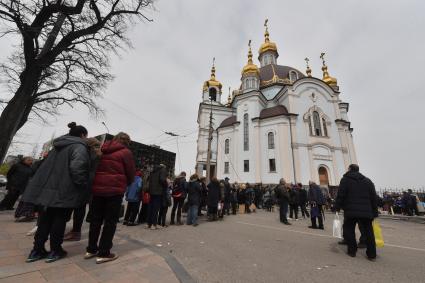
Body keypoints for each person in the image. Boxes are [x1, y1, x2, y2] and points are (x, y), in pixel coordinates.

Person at [24, 122, 90, 263]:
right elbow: (78, 169)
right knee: (59, 221)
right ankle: (55, 250)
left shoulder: (57, 147)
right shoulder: (79, 147)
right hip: (64, 191)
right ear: (83, 135)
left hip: (46, 190)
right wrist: (83, 185)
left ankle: (36, 250)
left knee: (44, 221)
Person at [86, 132, 135, 264]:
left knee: (96, 220)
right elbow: (131, 172)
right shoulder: (126, 152)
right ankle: (104, 252)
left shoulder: (103, 149)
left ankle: (91, 249)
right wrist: (127, 182)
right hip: (114, 190)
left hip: (98, 190)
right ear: (127, 141)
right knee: (110, 222)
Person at [335, 164, 378, 260]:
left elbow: (341, 195)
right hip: (366, 211)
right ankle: (372, 254)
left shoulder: (345, 180)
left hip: (351, 210)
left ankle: (352, 251)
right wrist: (374, 212)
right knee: (369, 232)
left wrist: (337, 207)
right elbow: (373, 197)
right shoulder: (368, 181)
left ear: (349, 169)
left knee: (349, 230)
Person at [64, 137, 102, 241]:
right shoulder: (99, 155)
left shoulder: (88, 153)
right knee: (80, 207)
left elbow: (79, 167)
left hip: (82, 181)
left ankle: (74, 231)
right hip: (91, 183)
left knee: (74, 206)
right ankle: (76, 231)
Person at [146, 164, 168, 229]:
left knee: (150, 208)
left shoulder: (153, 170)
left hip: (151, 191)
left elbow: (149, 180)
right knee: (155, 209)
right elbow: (162, 180)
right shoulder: (163, 170)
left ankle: (148, 224)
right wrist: (166, 184)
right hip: (158, 191)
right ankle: (153, 224)